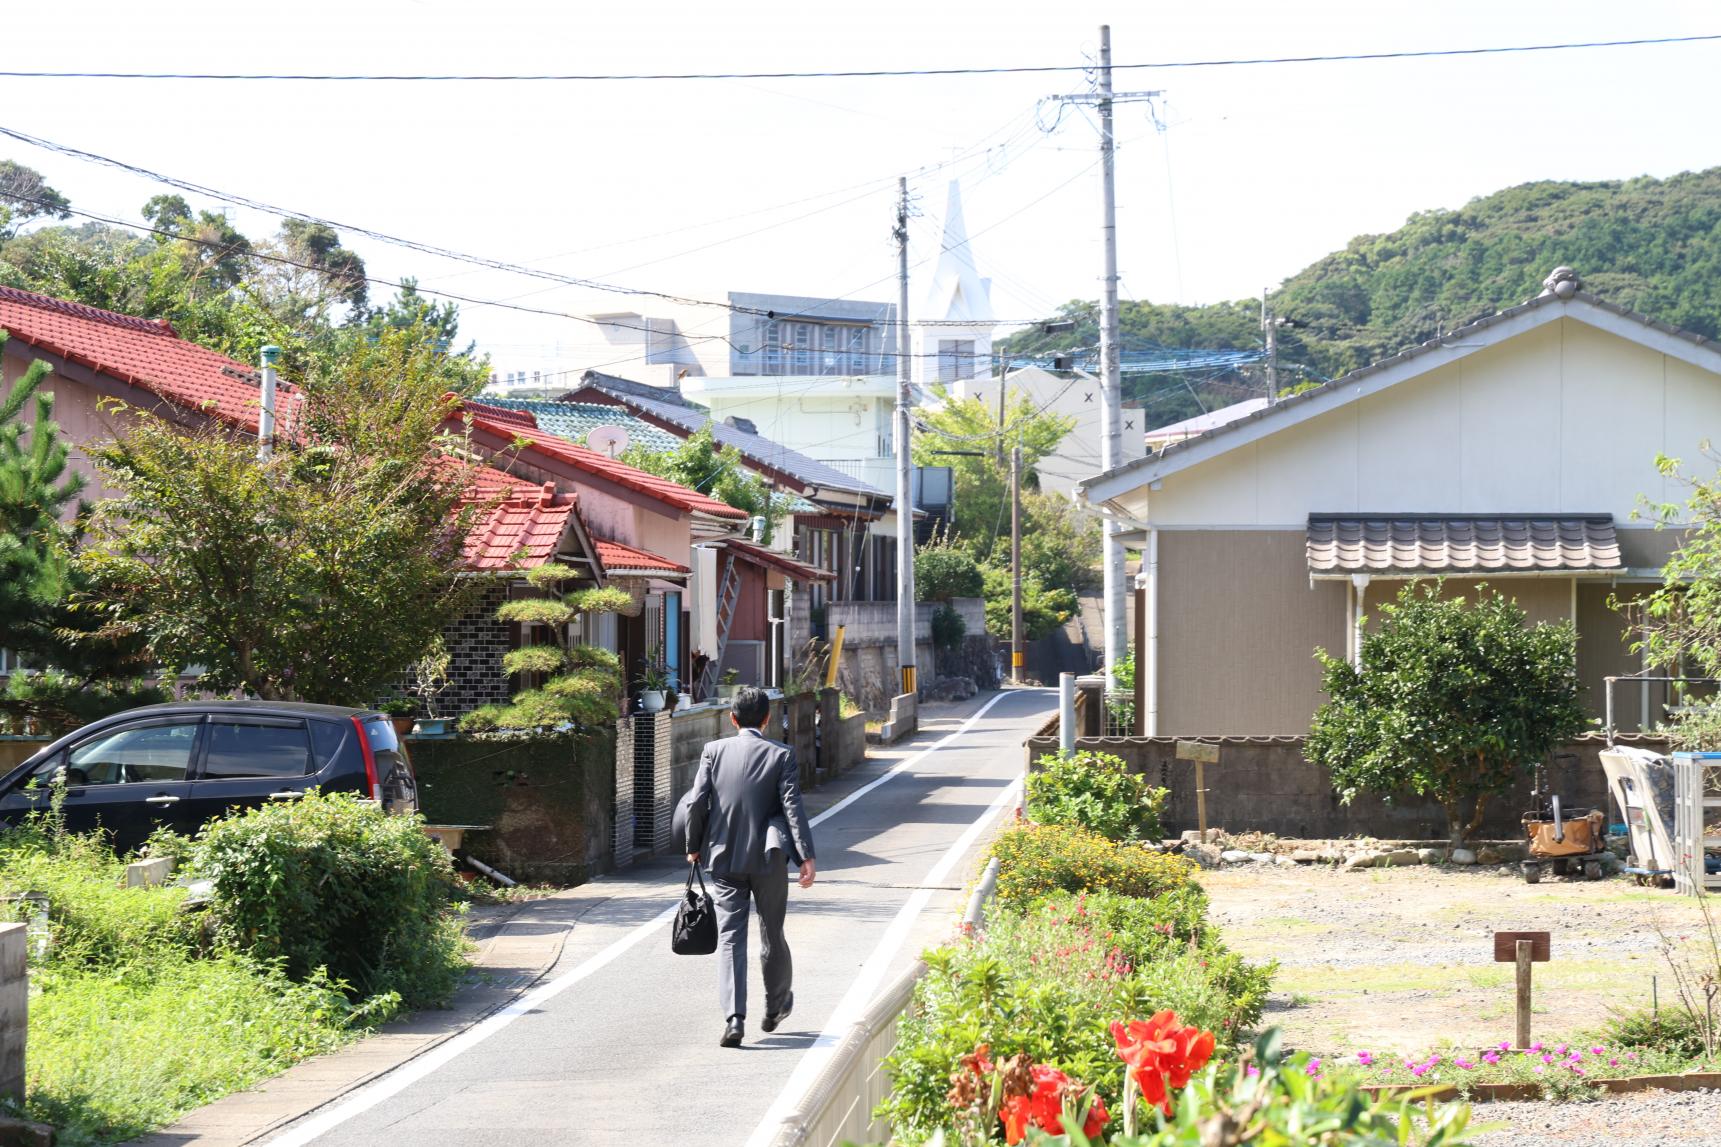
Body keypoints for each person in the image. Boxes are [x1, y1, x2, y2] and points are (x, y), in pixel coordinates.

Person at [684, 685, 816, 1048]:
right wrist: (806, 855)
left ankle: (734, 1018)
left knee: (731, 937)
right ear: (768, 718)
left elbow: (697, 803)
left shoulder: (713, 751)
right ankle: (775, 1007)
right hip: (769, 857)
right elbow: (793, 808)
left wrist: (694, 847)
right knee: (772, 931)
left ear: (732, 718)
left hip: (723, 857)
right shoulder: (781, 754)